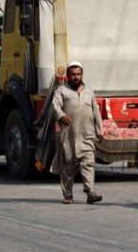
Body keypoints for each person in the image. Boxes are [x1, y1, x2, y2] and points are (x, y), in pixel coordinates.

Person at [50, 61, 104, 204]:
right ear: (68, 76)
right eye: (73, 74)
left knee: (88, 163)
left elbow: (96, 112)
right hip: (69, 135)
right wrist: (61, 115)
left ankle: (90, 192)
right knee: (67, 165)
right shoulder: (61, 91)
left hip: (87, 134)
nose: (76, 77)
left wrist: (100, 131)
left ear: (82, 75)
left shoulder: (89, 91)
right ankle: (68, 195)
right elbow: (55, 105)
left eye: (78, 74)